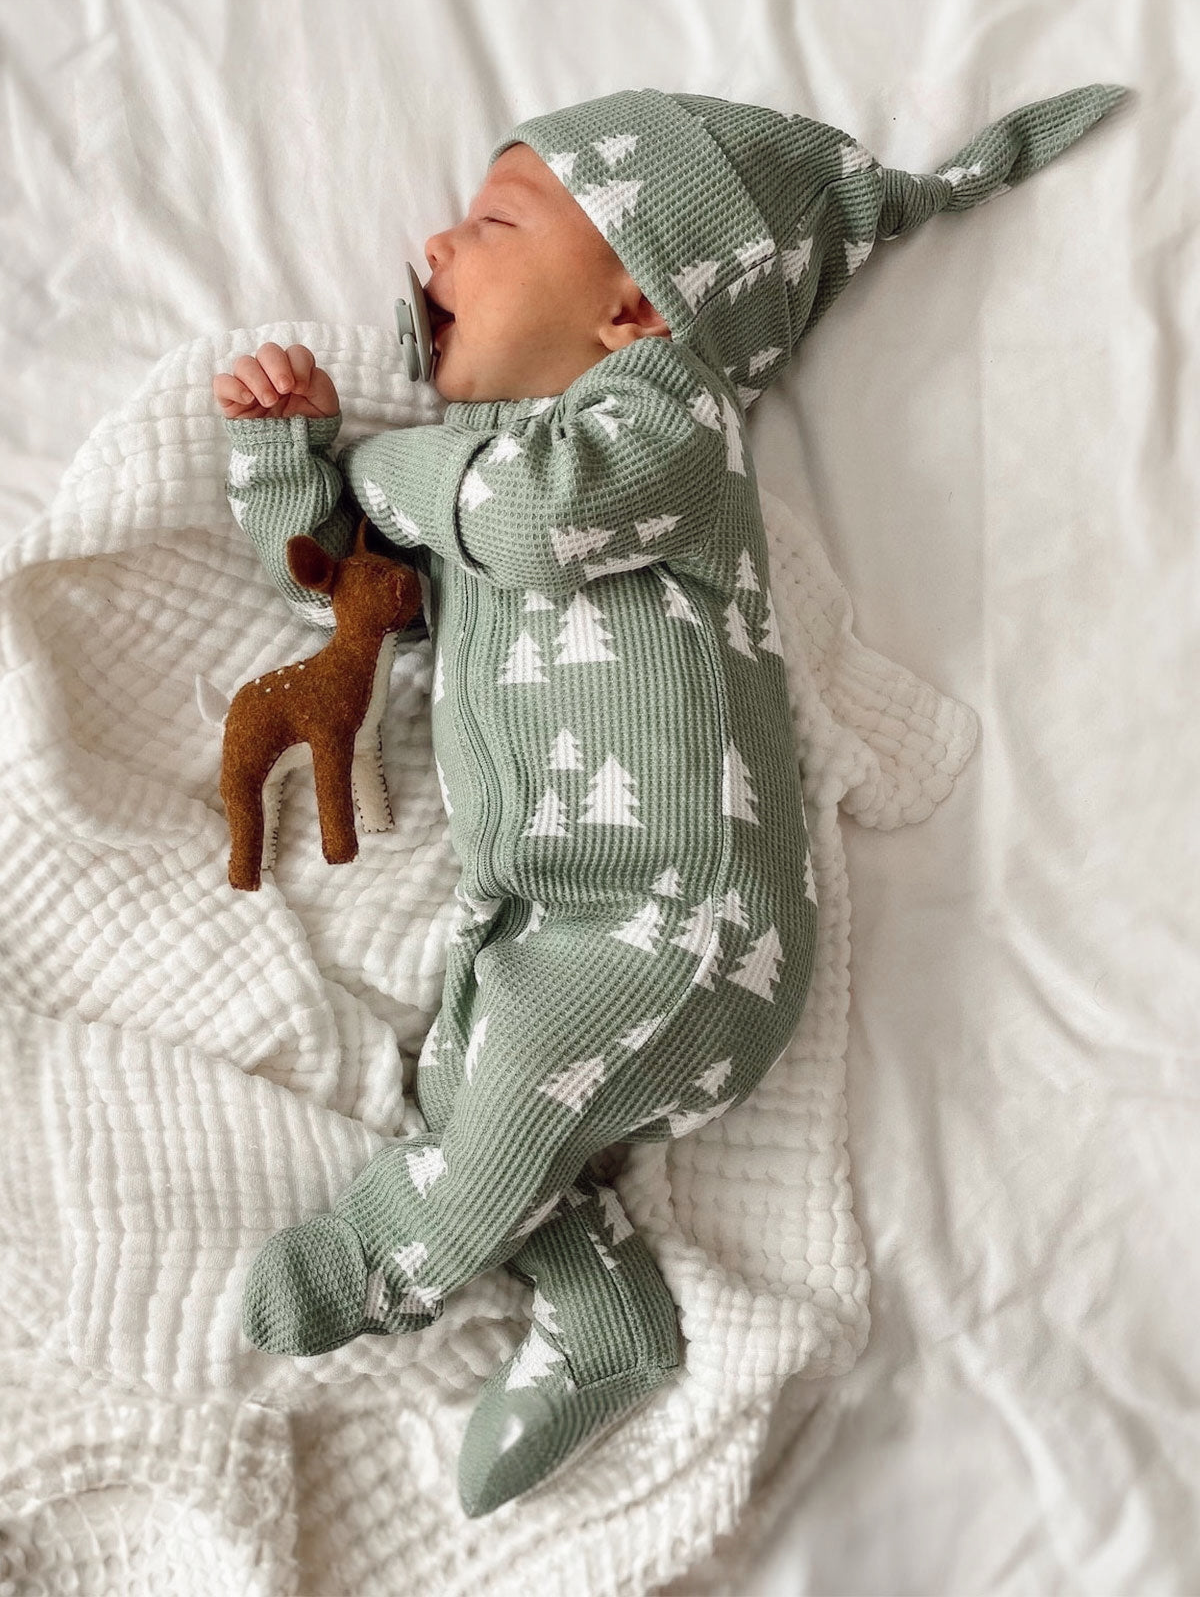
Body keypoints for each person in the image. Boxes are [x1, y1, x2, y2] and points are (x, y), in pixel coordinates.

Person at [213, 83, 1127, 1517]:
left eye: (493, 223)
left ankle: (382, 1262)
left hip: (683, 921)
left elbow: (520, 521)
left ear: (634, 307)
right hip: (549, 919)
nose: (435, 249)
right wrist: (289, 459)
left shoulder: (661, 422)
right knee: (463, 1098)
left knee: (505, 1086)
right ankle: (602, 1322)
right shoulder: (471, 468)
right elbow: (339, 570)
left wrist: (371, 464)